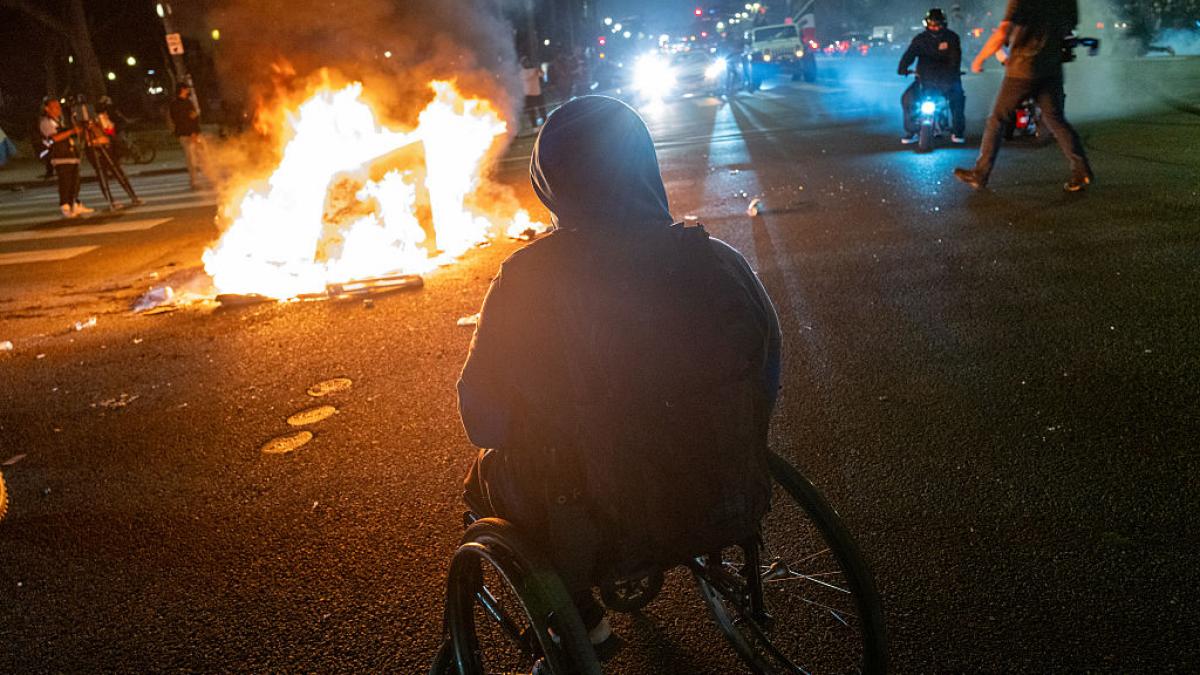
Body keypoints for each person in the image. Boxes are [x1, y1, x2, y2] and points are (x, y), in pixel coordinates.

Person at [456, 96, 781, 667]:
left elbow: (482, 419)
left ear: (549, 181)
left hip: (595, 509)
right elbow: (765, 369)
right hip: (722, 481)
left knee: (480, 483)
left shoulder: (528, 278)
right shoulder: (717, 261)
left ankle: (576, 619)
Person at [954, 0, 1094, 192]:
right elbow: (1069, 29)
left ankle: (980, 173)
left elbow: (1003, 31)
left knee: (997, 118)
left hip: (1023, 68)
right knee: (1056, 119)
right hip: (1051, 67)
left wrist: (979, 59)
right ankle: (1082, 171)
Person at [898, 8, 966, 144]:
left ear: (944, 24)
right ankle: (912, 130)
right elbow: (909, 54)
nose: (935, 28)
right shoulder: (920, 39)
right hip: (925, 78)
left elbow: (955, 58)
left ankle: (958, 131)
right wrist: (903, 68)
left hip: (948, 78)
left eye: (938, 25)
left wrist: (952, 73)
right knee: (907, 98)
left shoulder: (952, 38)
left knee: (957, 99)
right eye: (932, 25)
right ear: (927, 24)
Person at [38, 98, 93, 219]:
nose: (59, 109)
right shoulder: (46, 122)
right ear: (47, 108)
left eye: (59, 107)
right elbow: (54, 138)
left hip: (70, 154)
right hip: (60, 156)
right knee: (65, 182)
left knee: (75, 181)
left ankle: (75, 203)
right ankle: (65, 205)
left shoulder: (60, 120)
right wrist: (72, 131)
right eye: (55, 107)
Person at [168, 83, 205, 189]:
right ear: (182, 90)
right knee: (191, 159)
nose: (188, 90)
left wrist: (196, 131)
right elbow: (180, 120)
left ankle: (209, 177)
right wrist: (191, 133)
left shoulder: (188, 102)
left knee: (201, 156)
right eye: (187, 89)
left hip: (193, 133)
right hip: (186, 135)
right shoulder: (175, 105)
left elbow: (194, 117)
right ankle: (194, 182)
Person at [520, 56, 547, 130]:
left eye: (528, 61)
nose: (527, 63)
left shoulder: (534, 70)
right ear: (523, 64)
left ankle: (545, 124)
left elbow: (542, 75)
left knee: (542, 110)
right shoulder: (522, 72)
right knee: (532, 112)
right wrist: (536, 70)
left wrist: (539, 69)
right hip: (529, 94)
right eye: (525, 62)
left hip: (538, 93)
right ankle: (535, 127)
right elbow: (527, 77)